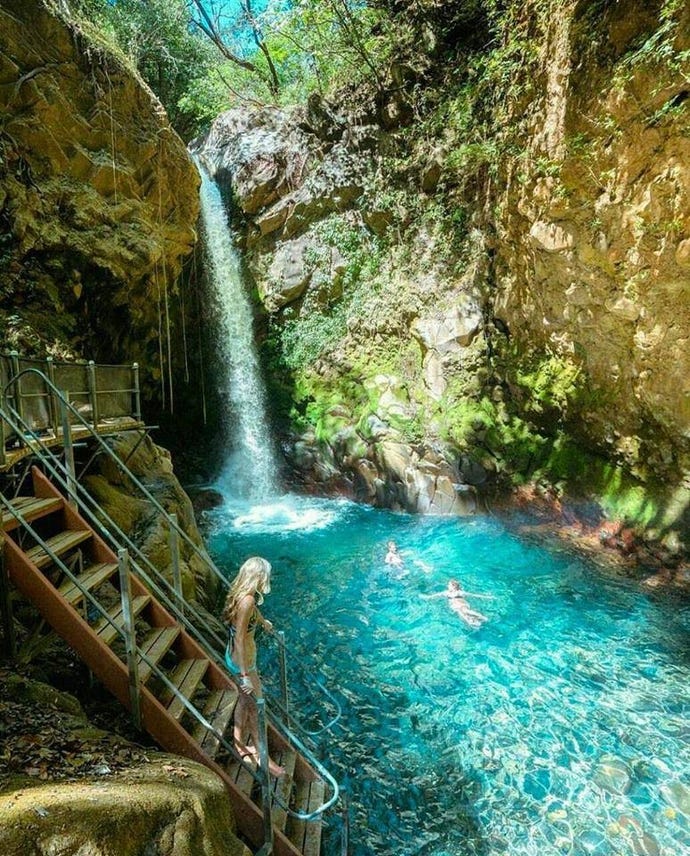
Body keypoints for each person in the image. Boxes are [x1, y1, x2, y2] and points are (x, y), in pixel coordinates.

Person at [221, 556, 285, 778]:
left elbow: (248, 614)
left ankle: (239, 745)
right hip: (243, 663)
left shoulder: (243, 594)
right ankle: (262, 758)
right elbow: (239, 637)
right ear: (258, 576)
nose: (267, 578)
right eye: (265, 575)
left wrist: (262, 622)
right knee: (257, 708)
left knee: (243, 700)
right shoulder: (247, 600)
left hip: (236, 658)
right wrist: (245, 675)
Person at [424, 579, 489, 629]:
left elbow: (473, 595)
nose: (447, 586)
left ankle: (481, 616)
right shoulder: (446, 593)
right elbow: (436, 595)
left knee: (464, 610)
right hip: (455, 606)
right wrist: (427, 597)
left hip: (462, 604)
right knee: (461, 613)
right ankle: (471, 622)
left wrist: (487, 597)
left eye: (449, 585)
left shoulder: (459, 592)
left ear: (454, 586)